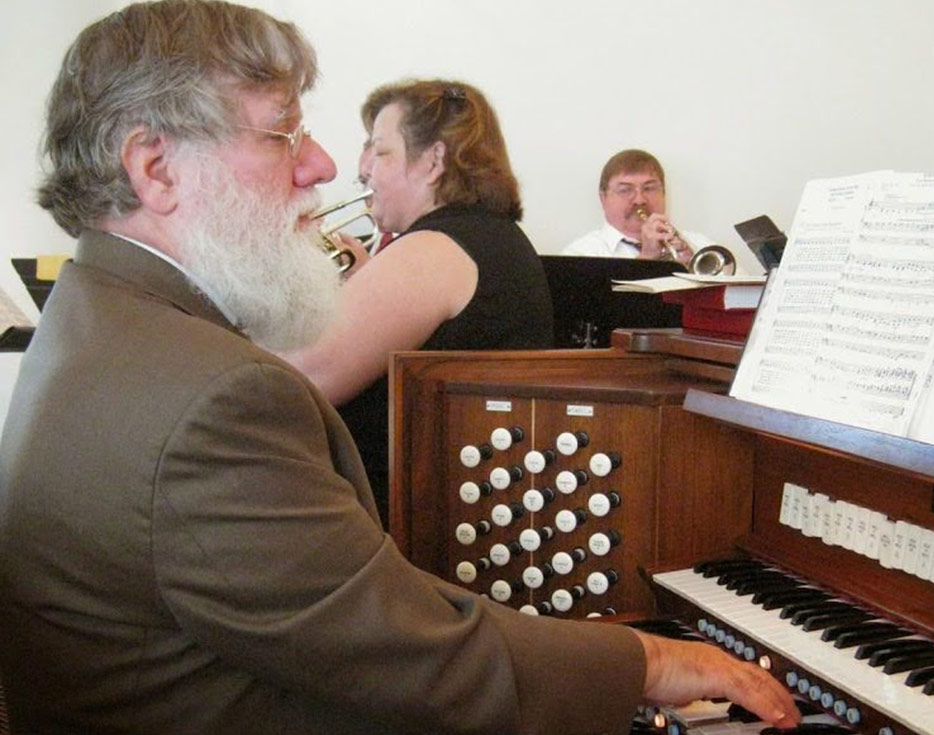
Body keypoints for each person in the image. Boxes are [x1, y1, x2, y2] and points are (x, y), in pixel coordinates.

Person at [0, 2, 800, 732]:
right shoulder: (211, 398)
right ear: (157, 168)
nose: (318, 165)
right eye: (283, 133)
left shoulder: (95, 316)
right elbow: (424, 663)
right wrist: (654, 659)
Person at [283, 79, 555, 525]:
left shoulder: (435, 248)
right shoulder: (485, 237)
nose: (363, 167)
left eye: (379, 150)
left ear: (433, 161)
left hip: (411, 526)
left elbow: (300, 376)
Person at [563, 149, 763, 274]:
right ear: (603, 198)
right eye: (625, 190)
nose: (640, 200)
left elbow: (741, 297)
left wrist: (693, 274)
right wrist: (647, 260)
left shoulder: (700, 244)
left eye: (649, 188)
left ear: (664, 193)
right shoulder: (581, 254)